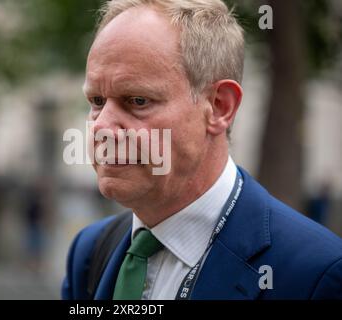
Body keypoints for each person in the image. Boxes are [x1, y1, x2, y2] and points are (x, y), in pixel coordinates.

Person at [62, 0, 342, 300]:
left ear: (220, 106)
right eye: (97, 101)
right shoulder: (90, 253)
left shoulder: (316, 274)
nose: (102, 127)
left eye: (137, 101)